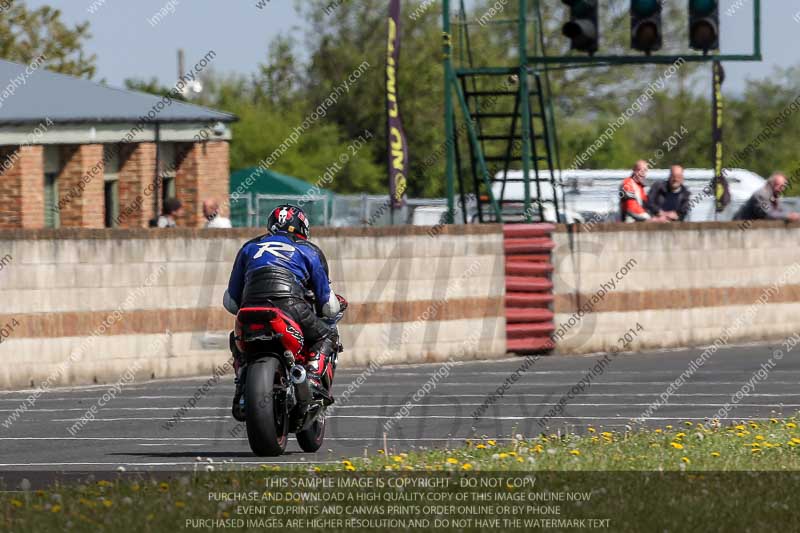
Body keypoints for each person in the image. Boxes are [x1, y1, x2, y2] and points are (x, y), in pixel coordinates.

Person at [223, 204, 345, 420]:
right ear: (303, 228)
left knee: (236, 338)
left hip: (250, 308)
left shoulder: (249, 247)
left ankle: (242, 381)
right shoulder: (310, 250)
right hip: (290, 305)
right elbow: (327, 305)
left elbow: (231, 302)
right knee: (327, 334)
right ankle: (314, 378)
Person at [733, 172, 800, 222]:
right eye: (779, 186)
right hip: (739, 229)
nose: (782, 189)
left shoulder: (774, 196)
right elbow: (768, 214)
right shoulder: (761, 195)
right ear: (772, 184)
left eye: (783, 186)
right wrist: (788, 216)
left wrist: (791, 214)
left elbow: (780, 210)